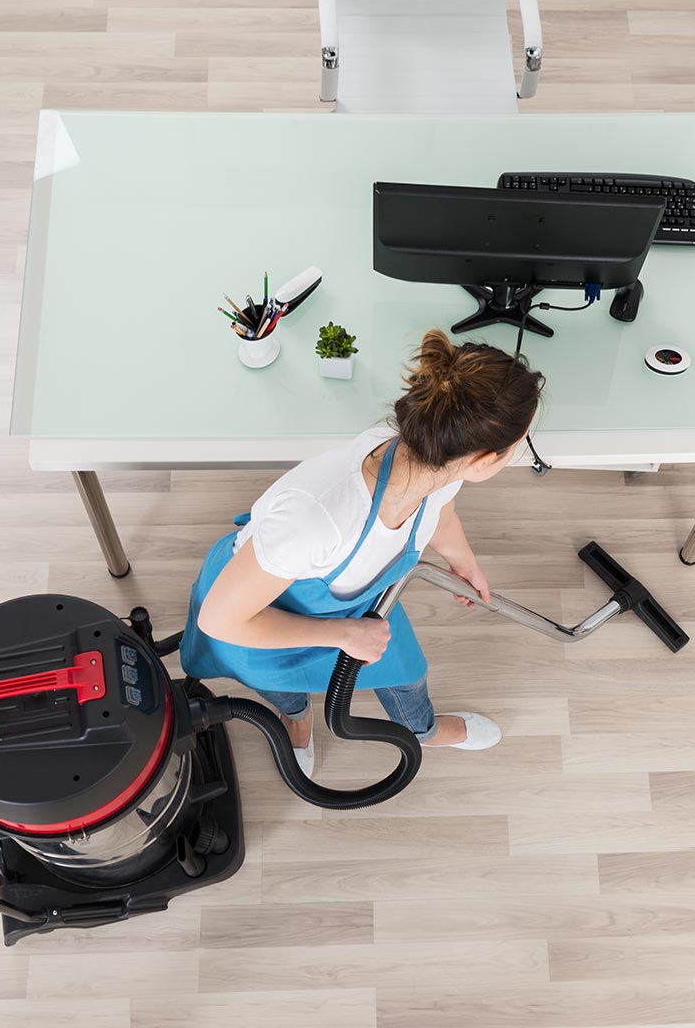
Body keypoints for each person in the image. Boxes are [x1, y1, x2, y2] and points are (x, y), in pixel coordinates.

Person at [182, 328, 545, 776]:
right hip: (259, 619)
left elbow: (440, 510)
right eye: (519, 446)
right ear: (484, 461)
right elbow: (220, 620)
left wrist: (464, 562)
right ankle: (295, 721)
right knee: (286, 690)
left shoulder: (433, 455)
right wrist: (341, 635)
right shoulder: (316, 521)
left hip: (356, 610)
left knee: (407, 675)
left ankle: (422, 729)